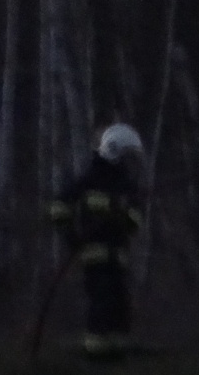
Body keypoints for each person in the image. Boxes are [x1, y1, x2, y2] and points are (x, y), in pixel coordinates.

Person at [47, 123, 146, 362]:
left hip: (118, 253)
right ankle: (96, 353)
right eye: (125, 156)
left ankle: (116, 351)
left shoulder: (126, 185)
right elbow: (59, 207)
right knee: (102, 301)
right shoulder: (89, 180)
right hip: (94, 252)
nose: (128, 162)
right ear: (114, 151)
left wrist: (127, 217)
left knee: (120, 303)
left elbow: (135, 218)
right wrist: (71, 236)